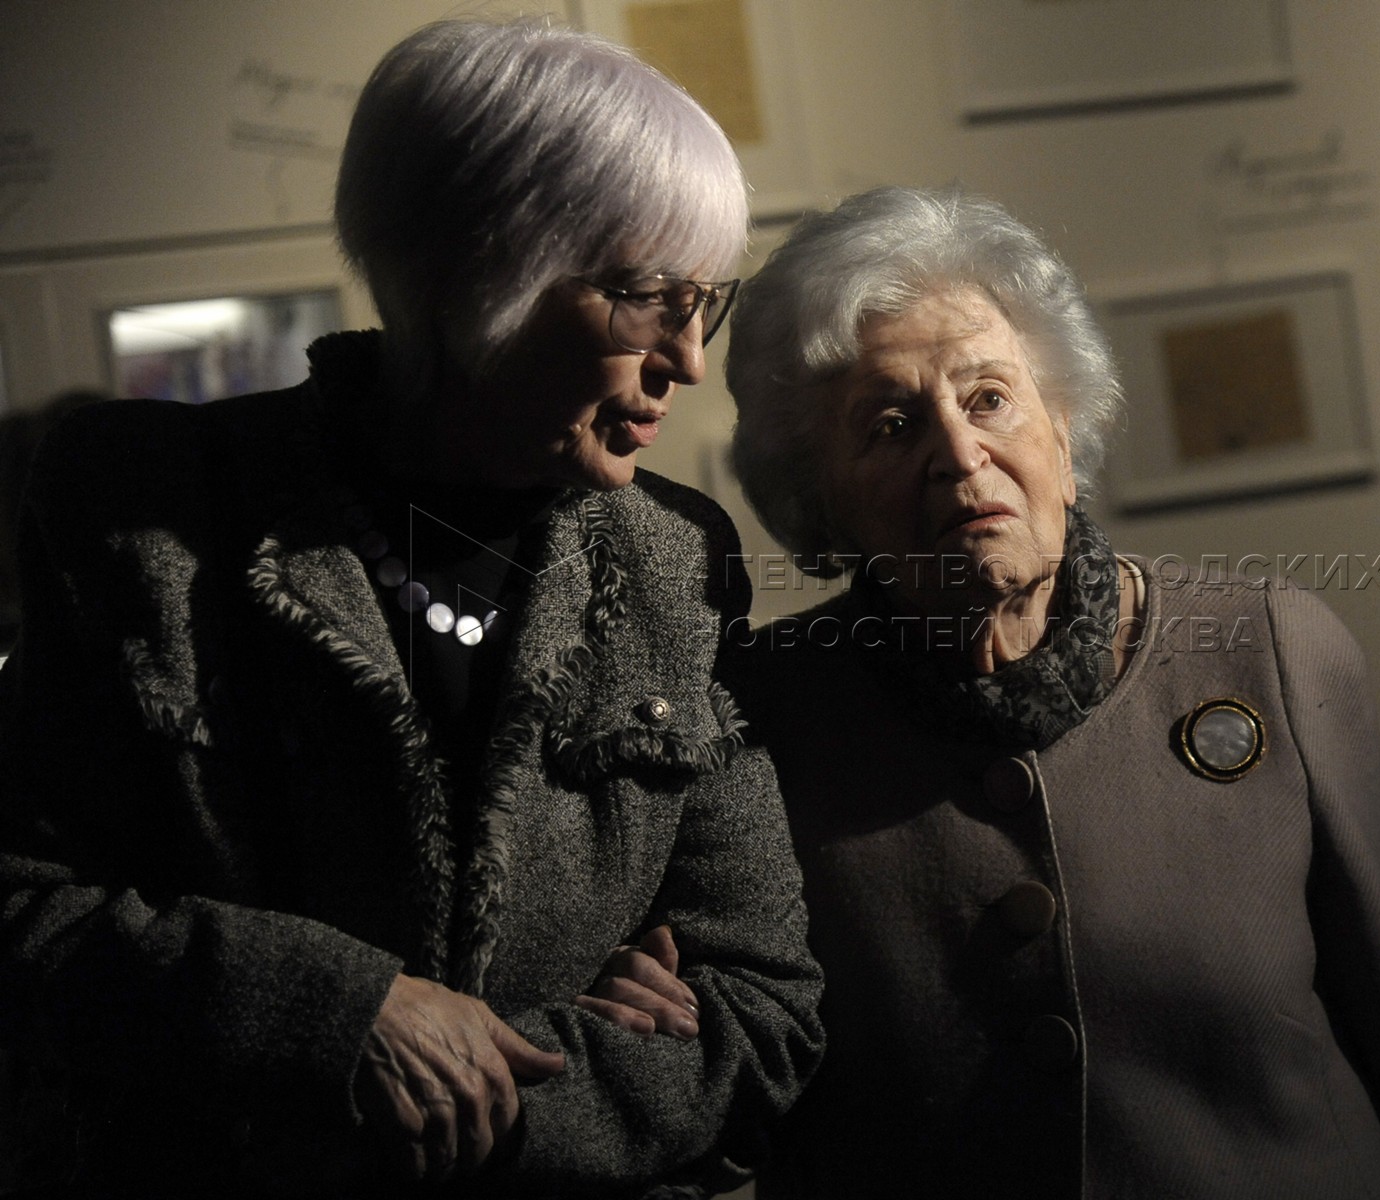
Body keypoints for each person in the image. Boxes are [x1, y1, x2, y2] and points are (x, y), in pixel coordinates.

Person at [0, 19, 821, 1198]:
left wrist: (502, 1095)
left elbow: (761, 1006)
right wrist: (338, 1017)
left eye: (706, 303)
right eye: (647, 299)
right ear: (478, 274)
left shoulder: (675, 558)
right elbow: (27, 913)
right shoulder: (146, 510)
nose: (689, 360)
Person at [720, 186, 1380, 1199]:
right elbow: (730, 1099)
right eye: (892, 425)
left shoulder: (1274, 651)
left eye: (988, 399)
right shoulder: (756, 720)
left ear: (1064, 429)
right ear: (818, 500)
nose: (959, 455)